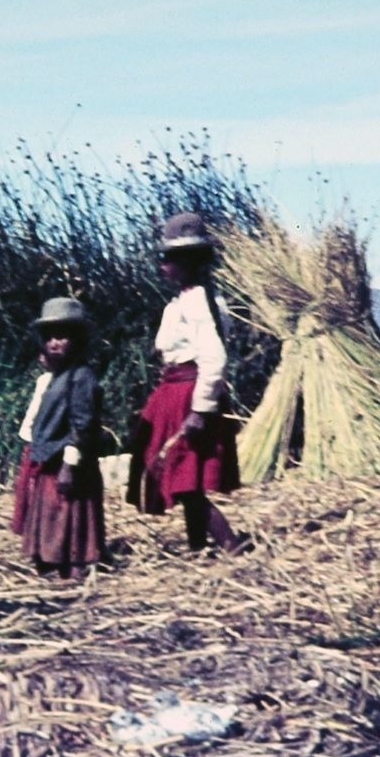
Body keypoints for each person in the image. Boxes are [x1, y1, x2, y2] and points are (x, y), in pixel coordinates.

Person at [128, 212, 246, 553]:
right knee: (186, 480)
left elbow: (214, 358)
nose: (163, 265)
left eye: (170, 259)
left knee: (185, 480)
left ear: (190, 262)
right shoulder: (184, 301)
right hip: (176, 392)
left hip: (189, 396)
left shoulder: (199, 303)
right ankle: (198, 546)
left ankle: (230, 545)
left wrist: (201, 409)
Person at [11, 297, 107, 578]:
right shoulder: (58, 375)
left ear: (77, 339)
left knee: (70, 519)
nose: (54, 343)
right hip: (50, 460)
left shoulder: (81, 377)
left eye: (62, 336)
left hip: (68, 464)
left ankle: (75, 571)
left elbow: (83, 423)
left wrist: (70, 465)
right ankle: (54, 566)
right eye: (49, 337)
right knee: (53, 518)